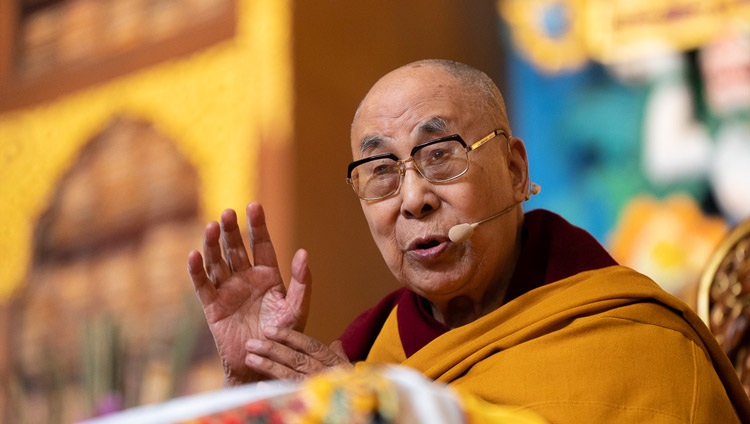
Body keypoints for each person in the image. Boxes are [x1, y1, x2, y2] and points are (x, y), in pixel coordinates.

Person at [187, 59, 750, 422]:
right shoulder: (359, 363)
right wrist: (254, 398)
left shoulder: (641, 349)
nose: (413, 198)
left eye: (440, 156)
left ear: (513, 168)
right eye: (381, 171)